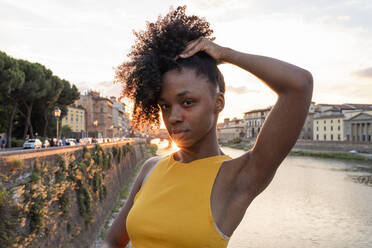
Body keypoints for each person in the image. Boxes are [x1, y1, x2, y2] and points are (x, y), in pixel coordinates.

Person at [102, 6, 313, 248]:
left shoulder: (239, 177)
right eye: (165, 106)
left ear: (218, 102)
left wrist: (225, 54)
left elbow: (300, 84)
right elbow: (112, 241)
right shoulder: (150, 168)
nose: (173, 117)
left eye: (187, 102)